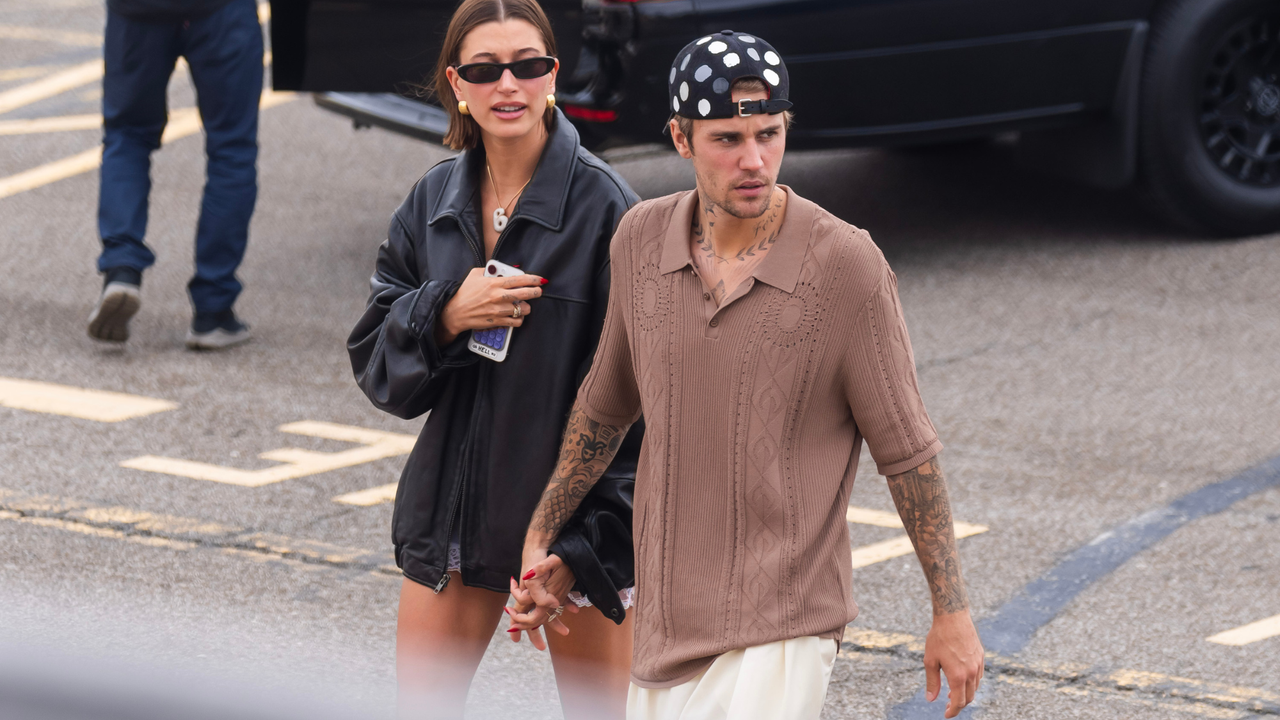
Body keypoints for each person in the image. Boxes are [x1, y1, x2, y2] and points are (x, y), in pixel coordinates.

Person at [512, 30, 985, 720]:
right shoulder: (640, 241)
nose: (755, 160)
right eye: (727, 139)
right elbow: (604, 410)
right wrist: (543, 537)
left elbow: (908, 454)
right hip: (666, 628)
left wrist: (952, 612)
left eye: (769, 133)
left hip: (783, 627)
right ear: (680, 138)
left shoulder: (845, 266)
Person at [346, 1, 642, 717]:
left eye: (527, 65)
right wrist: (445, 313)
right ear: (457, 83)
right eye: (484, 70)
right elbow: (379, 368)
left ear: (553, 75)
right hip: (451, 523)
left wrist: (583, 544)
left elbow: (647, 405)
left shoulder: (611, 214)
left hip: (572, 533)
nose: (507, 85)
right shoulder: (430, 203)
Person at [88, 0, 260, 349]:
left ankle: (122, 269)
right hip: (221, 12)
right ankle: (213, 309)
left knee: (127, 136)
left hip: (135, 11)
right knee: (231, 150)